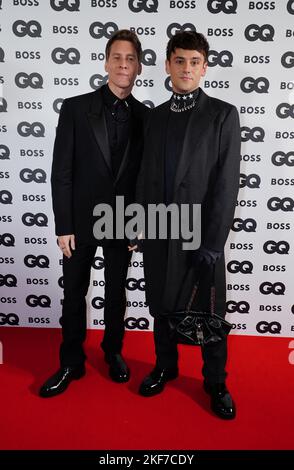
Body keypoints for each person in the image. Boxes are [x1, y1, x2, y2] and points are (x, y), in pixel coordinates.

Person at [133, 31, 241, 419]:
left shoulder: (223, 114)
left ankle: (215, 381)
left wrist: (213, 242)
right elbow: (146, 174)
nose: (187, 69)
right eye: (179, 61)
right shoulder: (155, 116)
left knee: (209, 313)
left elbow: (227, 182)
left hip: (201, 236)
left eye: (195, 62)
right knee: (162, 306)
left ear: (205, 67)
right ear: (167, 65)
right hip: (160, 230)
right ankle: (165, 367)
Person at [39, 30, 147, 398]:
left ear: (139, 67)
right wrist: (64, 224)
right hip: (80, 221)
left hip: (122, 221)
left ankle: (112, 351)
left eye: (129, 59)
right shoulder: (74, 107)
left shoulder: (147, 116)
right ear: (105, 62)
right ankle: (70, 362)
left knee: (117, 294)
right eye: (116, 57)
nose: (122, 64)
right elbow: (62, 172)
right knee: (74, 293)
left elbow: (144, 179)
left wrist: (138, 225)